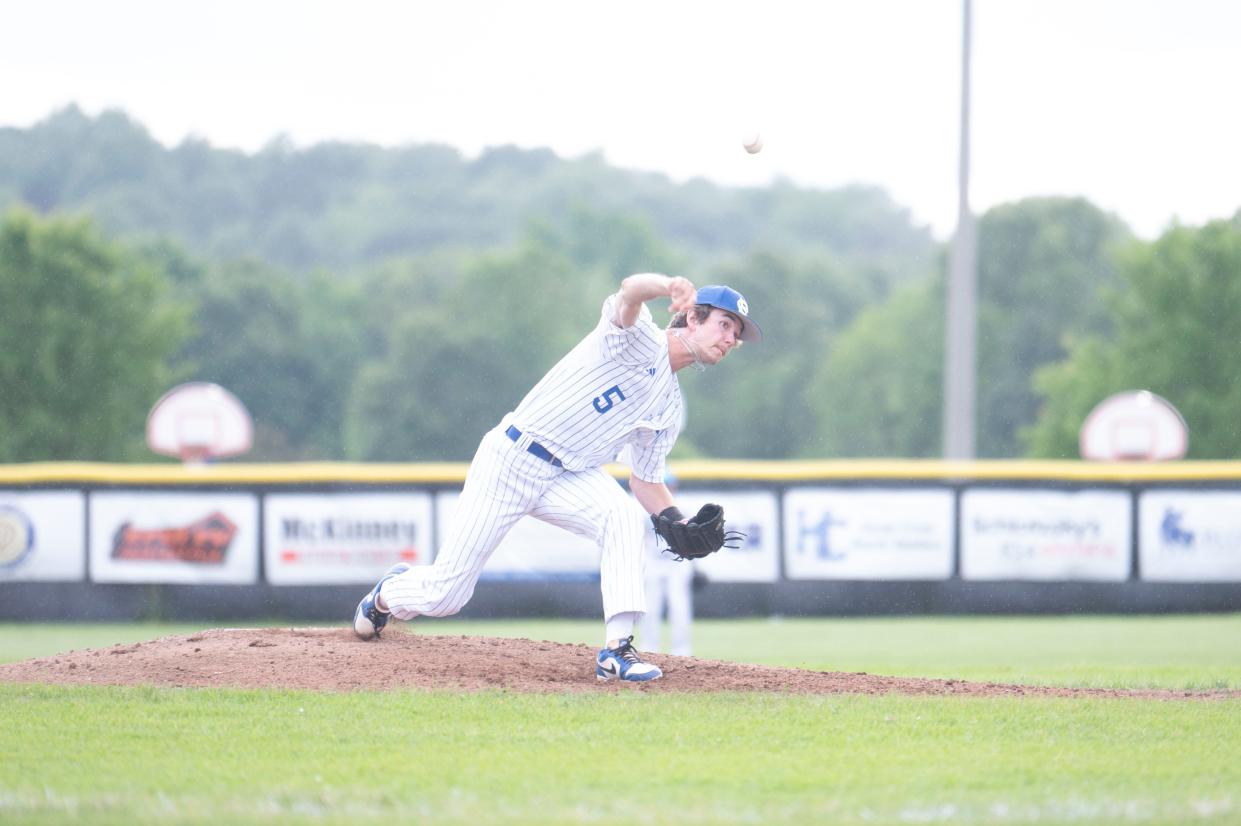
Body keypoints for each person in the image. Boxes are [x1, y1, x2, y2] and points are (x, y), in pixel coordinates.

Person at [352, 273, 763, 682]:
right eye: (724, 324)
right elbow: (629, 291)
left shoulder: (669, 408)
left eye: (736, 332)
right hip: (511, 459)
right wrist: (667, 284)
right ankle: (390, 592)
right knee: (445, 596)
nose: (731, 338)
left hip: (570, 476)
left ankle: (617, 650)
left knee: (624, 517)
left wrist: (678, 521)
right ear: (692, 318)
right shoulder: (639, 339)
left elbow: (644, 480)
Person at [637, 471, 696, 657]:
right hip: (653, 561)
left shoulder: (683, 505)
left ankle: (682, 650)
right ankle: (648, 648)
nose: (669, 488)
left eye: (670, 484)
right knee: (650, 607)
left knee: (679, 607)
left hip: (678, 563)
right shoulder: (642, 506)